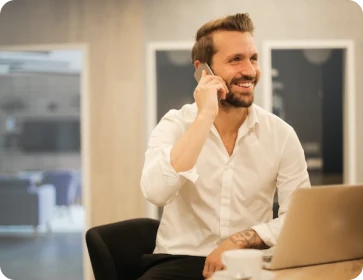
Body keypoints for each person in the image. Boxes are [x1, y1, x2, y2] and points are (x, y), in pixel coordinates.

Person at [139, 13, 310, 280]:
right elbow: (156, 193)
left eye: (253, 58)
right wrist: (205, 116)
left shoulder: (281, 135)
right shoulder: (175, 124)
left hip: (250, 261)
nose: (250, 71)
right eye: (235, 60)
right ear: (202, 70)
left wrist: (239, 240)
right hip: (181, 261)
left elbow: (298, 219)